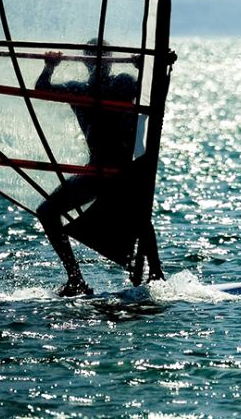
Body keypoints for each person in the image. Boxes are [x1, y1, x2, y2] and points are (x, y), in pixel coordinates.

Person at [34, 38, 160, 296]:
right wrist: (50, 65)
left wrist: (145, 67)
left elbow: (154, 93)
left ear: (111, 58)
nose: (100, 63)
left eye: (104, 57)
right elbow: (41, 88)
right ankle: (76, 279)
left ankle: (156, 273)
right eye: (93, 57)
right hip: (95, 172)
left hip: (123, 170)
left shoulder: (123, 83)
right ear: (85, 60)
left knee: (139, 212)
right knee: (46, 211)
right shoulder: (78, 90)